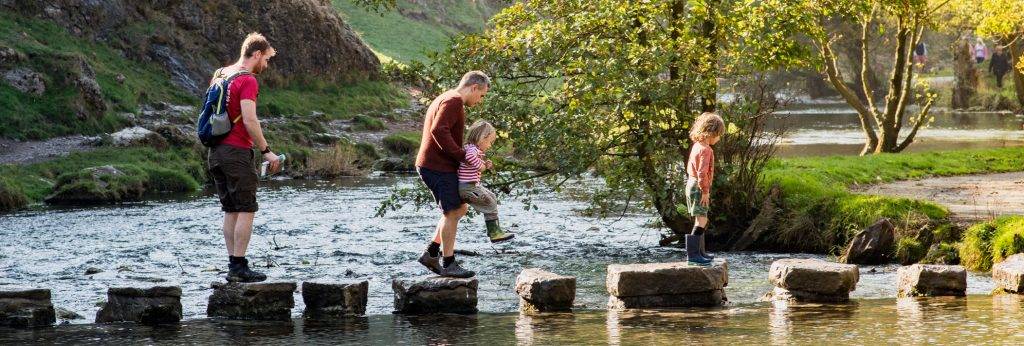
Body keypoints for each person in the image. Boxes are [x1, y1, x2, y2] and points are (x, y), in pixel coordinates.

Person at [208, 32, 280, 282]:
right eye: (267, 59)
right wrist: (266, 151)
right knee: (246, 208)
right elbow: (249, 120)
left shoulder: (221, 74)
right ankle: (239, 267)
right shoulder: (248, 80)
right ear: (257, 54)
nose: (267, 65)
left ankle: (233, 265)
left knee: (230, 209)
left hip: (215, 151)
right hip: (237, 151)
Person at [416, 71, 491, 278]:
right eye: (482, 95)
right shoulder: (454, 101)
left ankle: (431, 253)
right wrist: (462, 156)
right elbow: (438, 130)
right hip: (437, 166)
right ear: (474, 87)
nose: (480, 100)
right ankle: (448, 263)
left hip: (436, 165)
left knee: (459, 209)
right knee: (452, 213)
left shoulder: (446, 97)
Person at [458, 120, 514, 243]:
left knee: (492, 197)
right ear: (481, 138)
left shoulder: (471, 148)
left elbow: (470, 162)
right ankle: (494, 233)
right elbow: (469, 157)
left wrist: (485, 164)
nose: (489, 145)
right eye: (489, 142)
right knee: (489, 203)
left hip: (471, 186)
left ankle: (495, 231)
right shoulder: (473, 150)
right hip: (468, 187)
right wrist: (482, 166)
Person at [684, 112, 725, 266]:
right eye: (719, 135)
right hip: (698, 187)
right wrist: (705, 192)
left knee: (699, 218)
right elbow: (702, 172)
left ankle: (700, 252)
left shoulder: (697, 145)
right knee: (703, 219)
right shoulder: (706, 150)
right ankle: (693, 255)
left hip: (691, 183)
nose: (719, 138)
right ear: (712, 133)